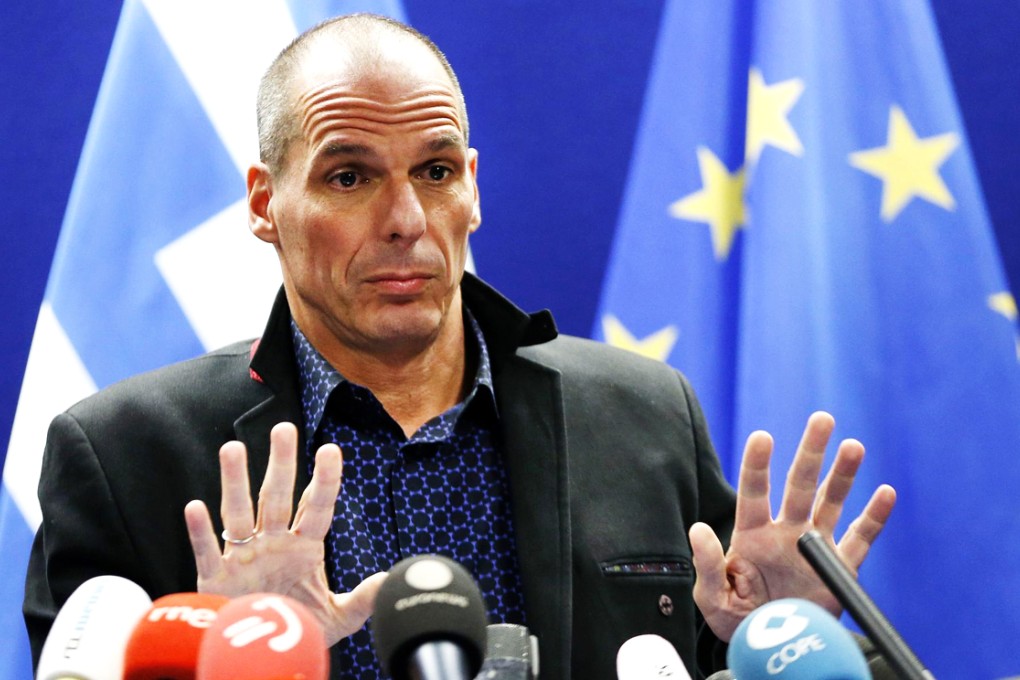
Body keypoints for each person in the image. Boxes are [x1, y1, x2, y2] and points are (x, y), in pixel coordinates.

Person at [24, 13, 896, 679]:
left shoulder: (641, 415)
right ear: (264, 203)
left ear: (472, 188)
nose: (406, 222)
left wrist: (772, 646)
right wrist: (234, 657)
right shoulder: (124, 456)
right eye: (349, 175)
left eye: (435, 172)